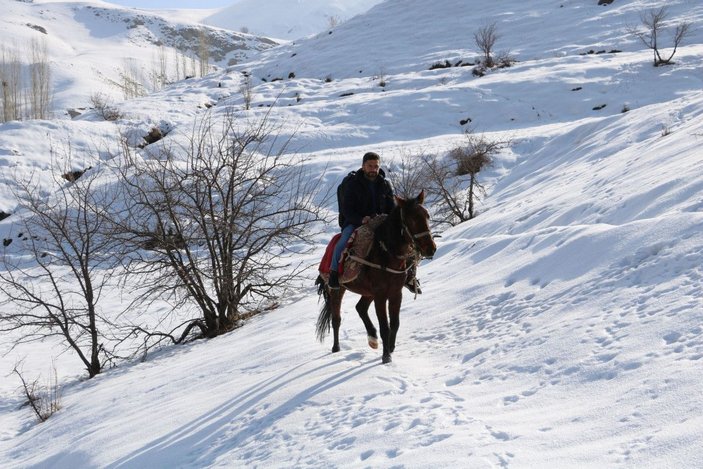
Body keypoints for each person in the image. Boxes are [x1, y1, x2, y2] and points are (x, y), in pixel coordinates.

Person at [329, 151, 421, 294]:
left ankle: (410, 277)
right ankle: (334, 274)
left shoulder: (384, 184)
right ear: (363, 166)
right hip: (356, 222)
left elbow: (392, 208)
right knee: (342, 243)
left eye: (376, 166)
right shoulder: (352, 185)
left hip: (381, 222)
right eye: (370, 166)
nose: (373, 169)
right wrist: (361, 219)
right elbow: (347, 209)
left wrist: (391, 219)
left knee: (408, 243)